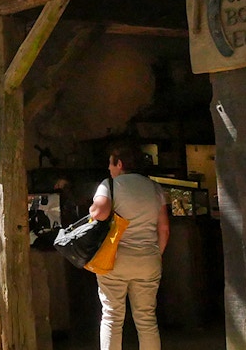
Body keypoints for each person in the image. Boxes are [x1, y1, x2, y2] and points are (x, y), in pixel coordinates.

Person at [89, 143, 169, 350]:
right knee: (146, 319)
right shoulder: (155, 188)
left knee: (112, 317)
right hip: (148, 260)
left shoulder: (109, 185)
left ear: (120, 164)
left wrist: (92, 209)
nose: (109, 168)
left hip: (115, 260)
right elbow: (164, 228)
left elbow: (99, 213)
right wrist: (156, 254)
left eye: (110, 163)